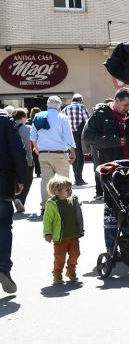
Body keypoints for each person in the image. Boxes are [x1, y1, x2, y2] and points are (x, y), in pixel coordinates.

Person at [82, 88, 129, 201]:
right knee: (112, 206)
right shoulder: (100, 115)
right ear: (116, 100)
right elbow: (88, 137)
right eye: (125, 105)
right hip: (110, 170)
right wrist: (115, 141)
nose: (128, 109)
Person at [30, 96, 76, 211]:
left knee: (46, 180)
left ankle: (45, 206)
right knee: (63, 180)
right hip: (59, 153)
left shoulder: (38, 116)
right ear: (59, 106)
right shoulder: (62, 117)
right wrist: (73, 152)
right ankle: (64, 204)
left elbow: (33, 136)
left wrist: (36, 147)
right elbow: (68, 137)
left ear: (47, 105)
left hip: (44, 153)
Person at [0, 108, 27, 294]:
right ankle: (3, 268)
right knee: (3, 225)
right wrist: (21, 178)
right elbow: (18, 150)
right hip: (2, 179)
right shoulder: (5, 121)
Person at [42, 175, 84, 285]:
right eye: (67, 189)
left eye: (70, 188)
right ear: (57, 191)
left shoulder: (72, 201)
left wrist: (80, 229)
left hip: (73, 235)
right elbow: (47, 220)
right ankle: (57, 274)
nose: (70, 191)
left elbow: (77, 216)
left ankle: (71, 271)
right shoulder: (52, 205)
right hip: (60, 238)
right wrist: (47, 233)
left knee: (76, 254)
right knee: (60, 258)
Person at [62, 94, 90, 186]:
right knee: (80, 156)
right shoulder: (82, 107)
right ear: (80, 100)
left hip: (69, 135)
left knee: (73, 156)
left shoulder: (65, 109)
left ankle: (76, 177)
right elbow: (87, 121)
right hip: (80, 134)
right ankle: (79, 178)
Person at [11, 109, 33, 213]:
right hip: (23, 159)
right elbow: (27, 146)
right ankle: (20, 198)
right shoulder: (23, 128)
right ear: (23, 117)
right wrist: (30, 160)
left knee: (14, 179)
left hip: (11, 159)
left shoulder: (9, 126)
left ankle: (13, 197)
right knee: (27, 179)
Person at [28, 108, 42, 178]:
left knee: (32, 157)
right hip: (38, 140)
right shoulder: (40, 120)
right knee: (38, 157)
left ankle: (34, 171)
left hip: (29, 141)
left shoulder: (28, 121)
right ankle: (39, 172)